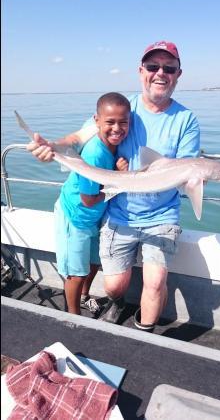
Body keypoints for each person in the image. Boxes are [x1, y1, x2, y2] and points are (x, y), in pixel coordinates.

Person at [27, 41, 200, 331]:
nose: (160, 73)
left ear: (178, 74)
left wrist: (196, 179)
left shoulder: (187, 120)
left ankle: (146, 335)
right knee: (114, 286)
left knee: (155, 281)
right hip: (119, 210)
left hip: (162, 215)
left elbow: (187, 169)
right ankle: (117, 302)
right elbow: (79, 138)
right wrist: (51, 147)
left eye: (169, 68)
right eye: (153, 66)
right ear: (141, 70)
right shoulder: (121, 108)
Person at [51, 92, 130, 315]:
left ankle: (84, 297)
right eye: (110, 122)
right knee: (76, 272)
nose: (117, 128)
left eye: (123, 122)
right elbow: (88, 200)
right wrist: (117, 181)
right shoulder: (95, 153)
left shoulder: (113, 145)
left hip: (94, 216)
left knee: (94, 261)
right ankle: (74, 316)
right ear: (96, 121)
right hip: (75, 215)